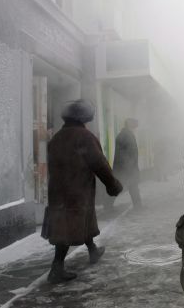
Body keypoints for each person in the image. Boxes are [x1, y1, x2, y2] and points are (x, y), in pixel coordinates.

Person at [41, 99, 123, 284]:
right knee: (67, 227)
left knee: (78, 220)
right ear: (84, 117)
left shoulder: (58, 137)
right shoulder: (83, 136)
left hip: (59, 190)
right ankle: (56, 269)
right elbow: (99, 163)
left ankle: (92, 250)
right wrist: (112, 184)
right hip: (77, 190)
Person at [106, 118, 143, 211]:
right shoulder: (127, 135)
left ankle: (137, 205)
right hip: (126, 166)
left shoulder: (122, 134)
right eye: (134, 125)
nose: (135, 128)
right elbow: (131, 152)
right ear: (130, 125)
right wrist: (132, 166)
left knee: (128, 186)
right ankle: (108, 205)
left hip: (123, 166)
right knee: (126, 186)